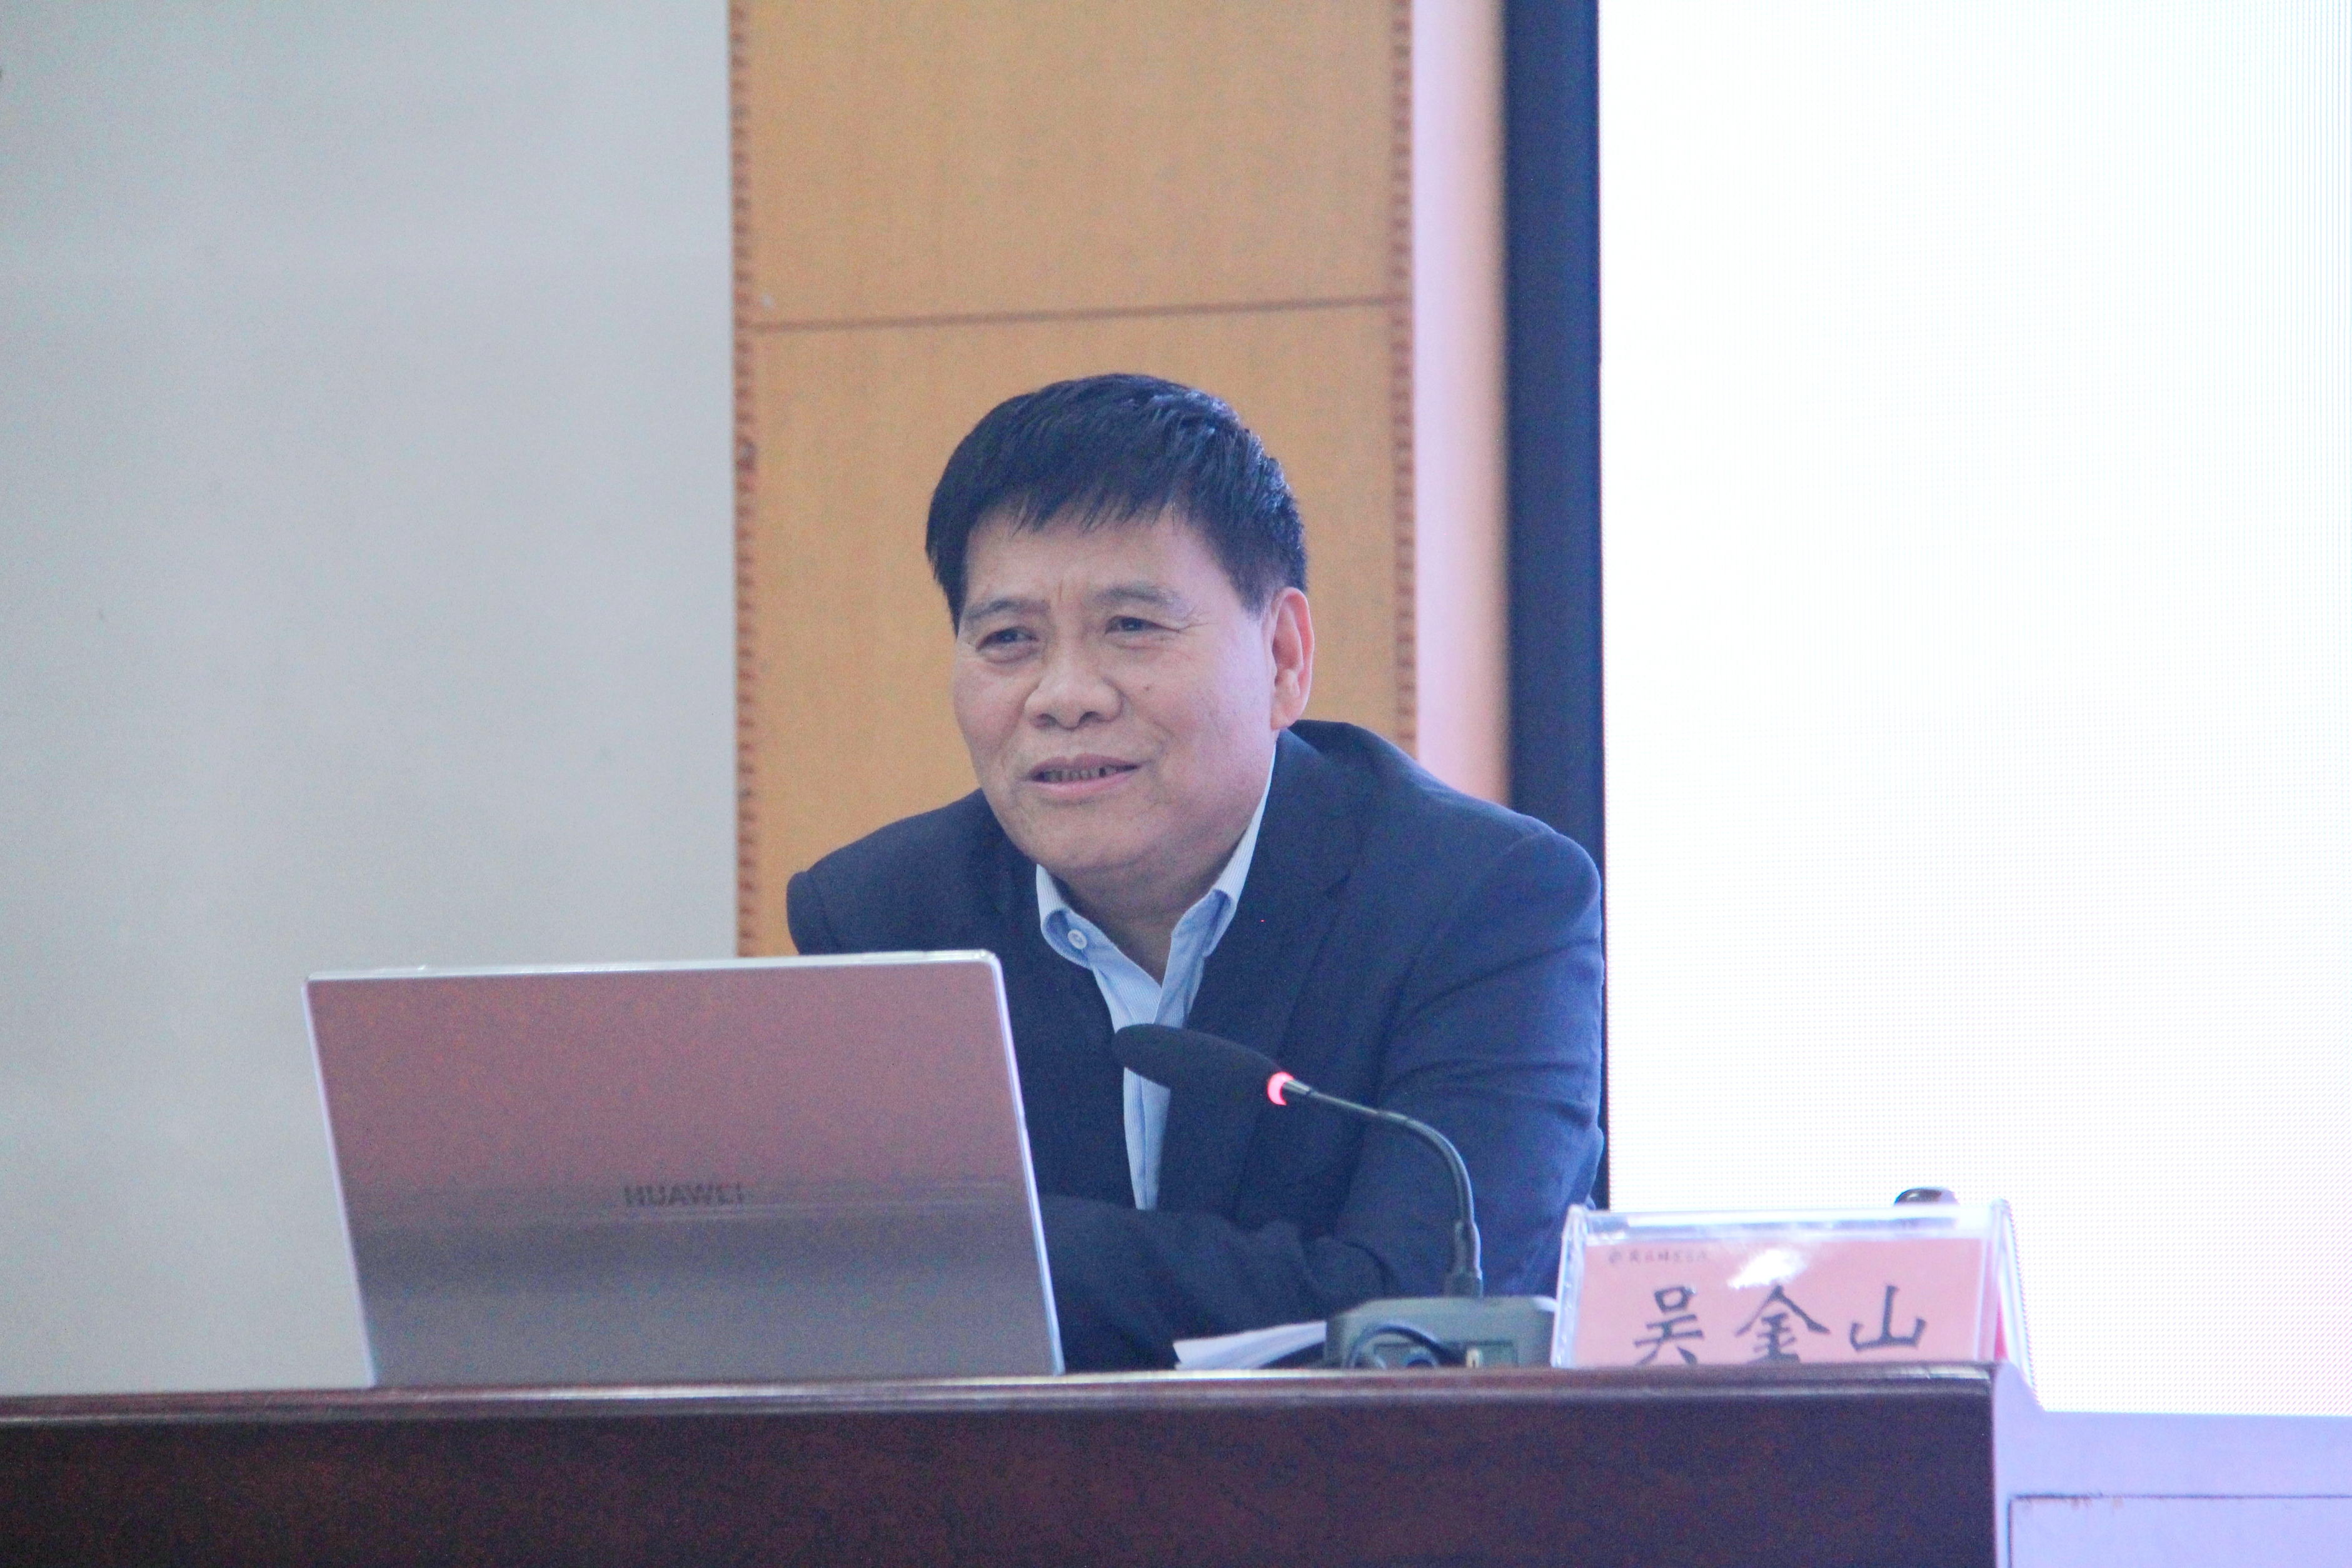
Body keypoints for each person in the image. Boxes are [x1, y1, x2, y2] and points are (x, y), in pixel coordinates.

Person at [787, 374, 1603, 1369]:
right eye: (1008, 641)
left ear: (1283, 657)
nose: (1065, 696)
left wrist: (1007, 1251)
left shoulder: (1484, 900)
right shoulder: (883, 917)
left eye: (1131, 628)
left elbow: (1425, 1316)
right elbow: (865, 1300)